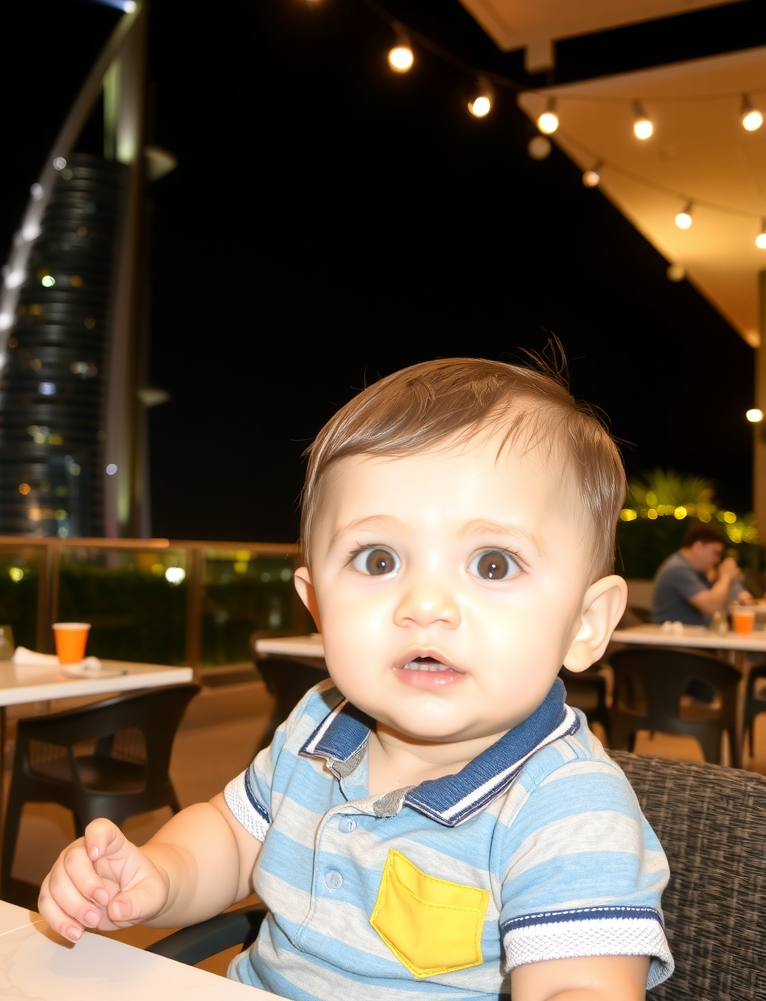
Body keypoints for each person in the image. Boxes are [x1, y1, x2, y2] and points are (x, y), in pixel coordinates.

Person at [39, 356, 673, 1001]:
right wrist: (159, 874)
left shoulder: (566, 806)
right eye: (378, 559)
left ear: (586, 625)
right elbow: (233, 841)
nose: (425, 604)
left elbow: (581, 984)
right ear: (316, 605)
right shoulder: (320, 724)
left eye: (492, 563)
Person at [650, 524, 753, 626]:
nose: (717, 560)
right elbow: (710, 606)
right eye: (715, 553)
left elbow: (721, 599)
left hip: (689, 636)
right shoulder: (678, 569)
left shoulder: (696, 571)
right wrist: (725, 576)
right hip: (672, 639)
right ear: (698, 547)